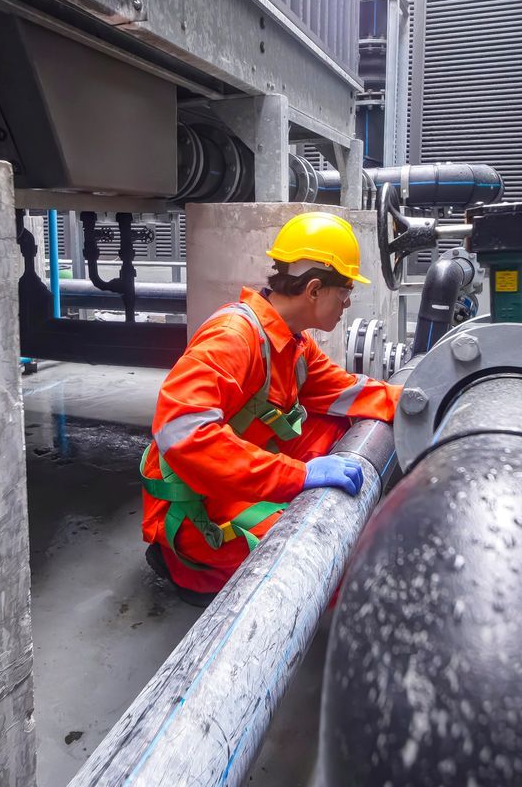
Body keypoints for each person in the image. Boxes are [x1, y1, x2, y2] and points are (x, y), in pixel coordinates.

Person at [141, 212, 401, 605]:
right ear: (314, 289)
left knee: (334, 426)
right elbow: (183, 434)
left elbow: (350, 393)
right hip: (193, 503)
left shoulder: (293, 345)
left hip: (230, 477)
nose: (348, 301)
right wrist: (296, 477)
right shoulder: (233, 337)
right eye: (345, 289)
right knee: (325, 560)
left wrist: (424, 401)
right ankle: (189, 566)